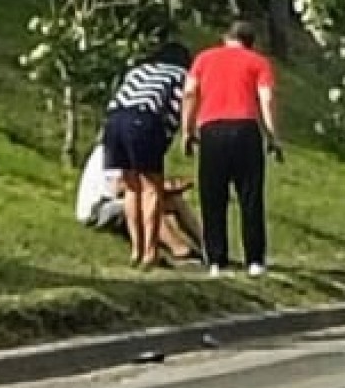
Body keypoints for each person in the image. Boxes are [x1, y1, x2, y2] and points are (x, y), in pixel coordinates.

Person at [181, 20, 282, 277]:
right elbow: (266, 99)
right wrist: (272, 136)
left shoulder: (204, 59)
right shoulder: (258, 62)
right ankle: (255, 260)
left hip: (212, 129)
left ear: (226, 38)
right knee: (250, 196)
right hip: (245, 129)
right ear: (251, 43)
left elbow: (190, 93)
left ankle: (216, 260)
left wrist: (187, 130)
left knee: (213, 196)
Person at [101, 41, 193, 268]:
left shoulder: (138, 70)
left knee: (132, 187)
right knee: (151, 188)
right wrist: (172, 139)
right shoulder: (179, 74)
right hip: (144, 120)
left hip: (114, 121)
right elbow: (174, 110)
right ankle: (150, 252)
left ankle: (136, 249)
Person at [75, 142, 206, 263]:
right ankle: (180, 250)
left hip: (113, 203)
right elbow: (120, 187)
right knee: (147, 203)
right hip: (96, 210)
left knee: (175, 201)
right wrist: (165, 187)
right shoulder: (112, 151)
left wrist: (168, 188)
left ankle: (207, 245)